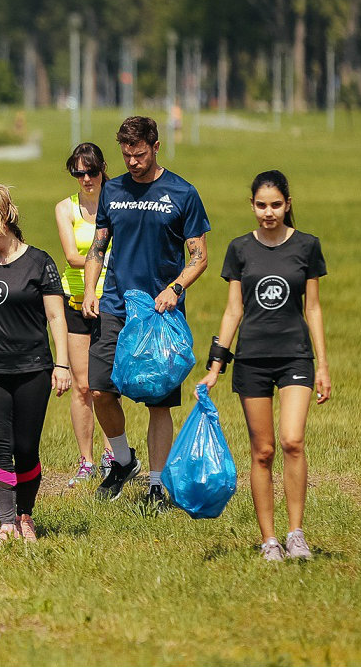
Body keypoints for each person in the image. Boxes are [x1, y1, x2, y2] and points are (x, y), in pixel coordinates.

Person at [198, 170, 331, 561]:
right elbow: (233, 311)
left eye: (275, 205)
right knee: (263, 451)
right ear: (252, 205)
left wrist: (322, 365)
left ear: (287, 204)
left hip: (295, 356)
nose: (268, 212)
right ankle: (269, 539)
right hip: (252, 360)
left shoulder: (307, 246)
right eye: (261, 205)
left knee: (292, 440)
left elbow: (314, 308)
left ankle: (296, 534)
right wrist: (215, 367)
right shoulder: (240, 249)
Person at [83, 116, 210, 505]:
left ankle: (156, 482)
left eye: (138, 154)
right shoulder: (113, 190)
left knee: (159, 400)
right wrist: (91, 288)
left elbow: (199, 257)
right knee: (99, 388)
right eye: (126, 155)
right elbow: (98, 247)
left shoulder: (182, 193)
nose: (132, 163)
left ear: (156, 147)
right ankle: (122, 461)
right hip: (117, 306)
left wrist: (176, 288)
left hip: (160, 312)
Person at [0, 186, 71, 548]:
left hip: (33, 368)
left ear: (1, 224)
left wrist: (62, 364)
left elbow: (56, 316)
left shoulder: (39, 262)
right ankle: (6, 523)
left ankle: (26, 516)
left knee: (26, 447)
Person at [53, 143, 113, 486]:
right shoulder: (66, 208)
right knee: (82, 385)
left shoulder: (116, 204)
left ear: (103, 168)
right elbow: (73, 256)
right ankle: (86, 460)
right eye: (78, 172)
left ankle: (112, 455)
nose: (86, 178)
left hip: (110, 303)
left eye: (91, 171)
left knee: (107, 386)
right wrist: (105, 256)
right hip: (75, 300)